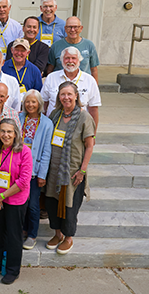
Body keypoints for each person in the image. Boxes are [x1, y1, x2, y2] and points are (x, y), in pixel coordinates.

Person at [45, 82, 95, 256]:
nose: (66, 97)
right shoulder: (55, 115)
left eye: (69, 94)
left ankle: (68, 237)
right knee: (52, 202)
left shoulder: (84, 117)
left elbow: (89, 145)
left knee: (69, 206)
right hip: (53, 169)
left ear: (76, 96)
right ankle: (57, 234)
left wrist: (82, 170)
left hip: (72, 172)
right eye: (62, 94)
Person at [0, 118, 32, 285]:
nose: (5, 135)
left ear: (15, 134)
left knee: (13, 236)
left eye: (9, 132)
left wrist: (2, 196)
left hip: (15, 200)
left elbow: (23, 181)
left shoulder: (25, 151)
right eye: (3, 131)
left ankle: (13, 270)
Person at [19, 90, 53, 251]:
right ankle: (21, 230)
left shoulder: (46, 123)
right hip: (18, 170)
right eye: (27, 101)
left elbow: (47, 151)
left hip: (34, 171)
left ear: (39, 104)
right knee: (20, 203)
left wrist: (42, 174)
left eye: (33, 102)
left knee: (33, 205)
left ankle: (32, 235)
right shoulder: (19, 118)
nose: (30, 105)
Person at [41, 46, 102, 129]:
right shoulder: (51, 78)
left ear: (79, 61)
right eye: (67, 58)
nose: (70, 61)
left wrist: (93, 134)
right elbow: (43, 105)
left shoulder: (89, 80)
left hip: (79, 128)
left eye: (74, 58)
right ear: (62, 60)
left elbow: (93, 109)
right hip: (53, 126)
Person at [46, 16, 100, 83]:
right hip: (60, 85)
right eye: (69, 27)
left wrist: (95, 88)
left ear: (81, 28)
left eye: (76, 27)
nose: (72, 30)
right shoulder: (56, 45)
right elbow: (50, 68)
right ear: (65, 29)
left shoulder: (89, 45)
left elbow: (94, 69)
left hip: (83, 85)